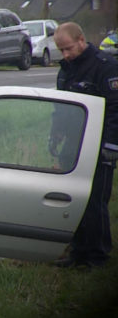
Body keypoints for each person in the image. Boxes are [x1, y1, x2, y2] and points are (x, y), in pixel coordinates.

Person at [52, 22, 118, 268]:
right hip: (74, 142)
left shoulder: (105, 67)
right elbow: (61, 107)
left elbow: (115, 110)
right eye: (61, 51)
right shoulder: (67, 69)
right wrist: (55, 135)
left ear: (81, 40)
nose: (65, 55)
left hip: (98, 143)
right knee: (74, 199)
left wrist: (111, 146)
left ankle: (98, 255)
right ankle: (78, 252)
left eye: (68, 48)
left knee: (95, 201)